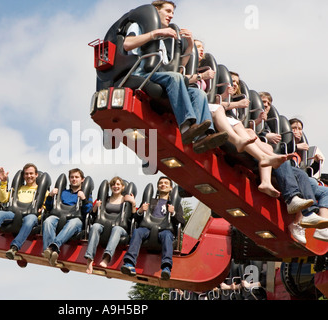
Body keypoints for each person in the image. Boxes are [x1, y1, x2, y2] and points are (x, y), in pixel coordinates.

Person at [124, 1, 228, 154]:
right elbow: (127, 44)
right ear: (155, 11)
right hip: (141, 74)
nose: (171, 15)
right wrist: (154, 34)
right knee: (175, 78)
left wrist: (190, 45)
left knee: (198, 93)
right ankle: (186, 127)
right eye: (167, 11)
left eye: (172, 13)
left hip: (161, 75)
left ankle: (203, 137)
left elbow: (178, 68)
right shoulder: (139, 26)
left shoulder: (164, 42)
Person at [190, 40, 288, 198]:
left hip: (218, 112)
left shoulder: (208, 75)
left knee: (252, 134)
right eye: (197, 47)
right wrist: (233, 102)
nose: (200, 50)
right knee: (222, 110)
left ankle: (265, 172)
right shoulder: (194, 67)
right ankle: (245, 146)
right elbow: (214, 102)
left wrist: (255, 122)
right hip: (201, 106)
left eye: (202, 48)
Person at [0, 163, 48, 259]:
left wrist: (43, 209)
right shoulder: (19, 188)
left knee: (30, 219)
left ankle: (14, 248)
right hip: (14, 213)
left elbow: (47, 206)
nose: (29, 176)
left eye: (31, 174)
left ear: (36, 175)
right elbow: (3, 199)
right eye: (26, 174)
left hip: (30, 215)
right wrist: (3, 182)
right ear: (23, 176)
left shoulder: (43, 191)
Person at [121, 176, 184, 280]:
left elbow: (181, 222)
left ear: (170, 188)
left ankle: (166, 267)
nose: (163, 185)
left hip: (164, 230)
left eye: (166, 183)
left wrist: (173, 212)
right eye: (160, 183)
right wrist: (140, 210)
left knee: (167, 236)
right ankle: (129, 263)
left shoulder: (175, 204)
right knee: (137, 232)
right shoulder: (150, 201)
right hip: (147, 228)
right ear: (158, 187)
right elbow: (135, 218)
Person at [84, 177, 136, 274]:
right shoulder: (105, 199)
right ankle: (89, 260)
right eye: (113, 184)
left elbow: (134, 216)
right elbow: (92, 214)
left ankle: (106, 257)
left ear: (123, 187)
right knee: (95, 226)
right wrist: (95, 207)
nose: (115, 186)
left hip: (120, 229)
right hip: (104, 226)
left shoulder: (126, 200)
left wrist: (133, 203)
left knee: (117, 229)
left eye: (118, 184)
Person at [42, 168, 93, 267]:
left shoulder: (85, 194)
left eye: (77, 177)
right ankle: (50, 250)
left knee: (74, 223)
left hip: (75, 220)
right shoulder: (63, 192)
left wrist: (84, 199)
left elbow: (88, 211)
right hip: (59, 216)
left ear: (82, 179)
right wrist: (50, 196)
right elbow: (48, 207)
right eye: (72, 177)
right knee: (48, 221)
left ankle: (53, 247)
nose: (74, 179)